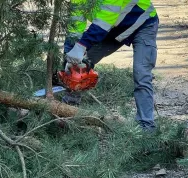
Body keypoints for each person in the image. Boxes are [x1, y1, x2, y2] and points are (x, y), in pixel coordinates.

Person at [62, 0, 159, 131]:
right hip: (112, 28)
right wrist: (70, 52)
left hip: (142, 23)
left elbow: (104, 20)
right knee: (82, 62)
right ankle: (68, 109)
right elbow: (76, 23)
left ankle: (147, 127)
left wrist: (82, 45)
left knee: (141, 73)